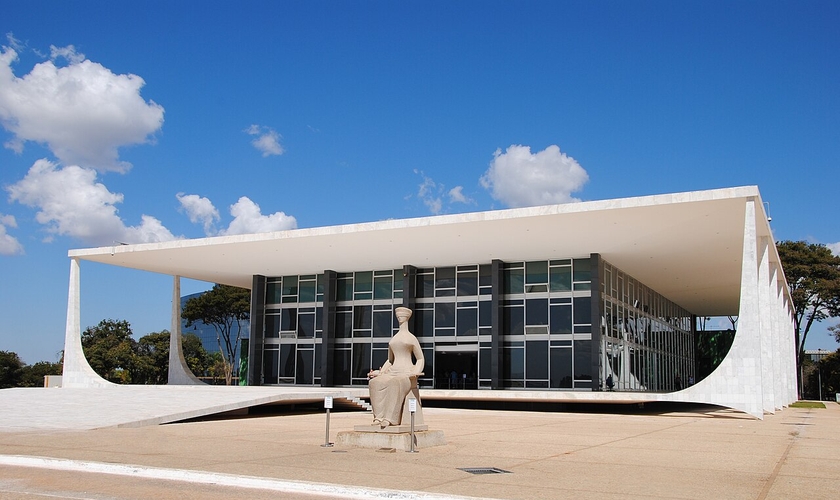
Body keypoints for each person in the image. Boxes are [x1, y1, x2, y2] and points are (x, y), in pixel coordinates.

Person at [367, 307, 425, 428]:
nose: (400, 317)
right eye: (398, 315)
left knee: (395, 383)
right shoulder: (394, 339)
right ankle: (378, 417)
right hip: (393, 371)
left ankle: (390, 418)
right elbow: (390, 360)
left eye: (402, 316)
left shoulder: (411, 338)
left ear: (407, 317)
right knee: (374, 383)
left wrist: (416, 372)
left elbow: (420, 359)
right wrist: (381, 372)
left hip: (406, 374)